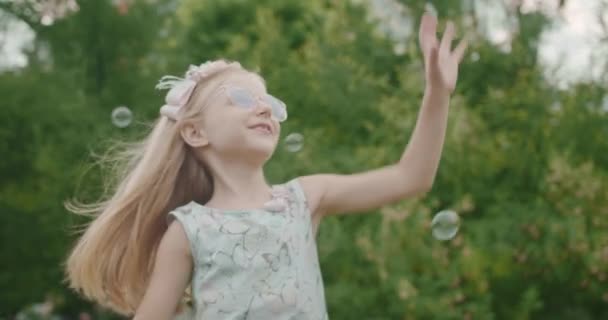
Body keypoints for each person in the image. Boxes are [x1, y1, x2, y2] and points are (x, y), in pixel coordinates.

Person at [63, 13, 468, 320]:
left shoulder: (304, 198)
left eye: (269, 103)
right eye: (240, 98)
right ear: (195, 133)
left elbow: (410, 177)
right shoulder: (188, 230)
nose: (262, 106)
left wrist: (437, 92)